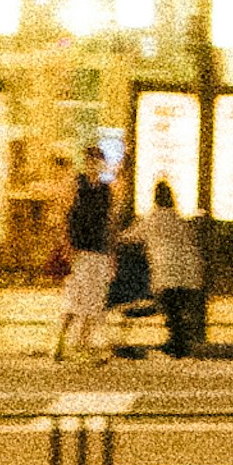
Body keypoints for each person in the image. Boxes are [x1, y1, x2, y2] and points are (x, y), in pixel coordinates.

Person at [131, 178, 207, 358]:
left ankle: (177, 345)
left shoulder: (153, 219)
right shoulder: (178, 218)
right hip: (189, 273)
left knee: (170, 309)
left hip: (166, 272)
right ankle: (178, 343)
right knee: (176, 310)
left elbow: (132, 236)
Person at [56, 154, 119, 359]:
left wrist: (112, 252)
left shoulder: (105, 190)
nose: (95, 165)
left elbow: (109, 222)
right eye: (92, 161)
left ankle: (83, 342)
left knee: (94, 299)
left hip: (99, 249)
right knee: (76, 297)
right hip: (81, 249)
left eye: (98, 161)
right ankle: (61, 342)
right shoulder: (77, 185)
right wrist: (67, 245)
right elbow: (65, 215)